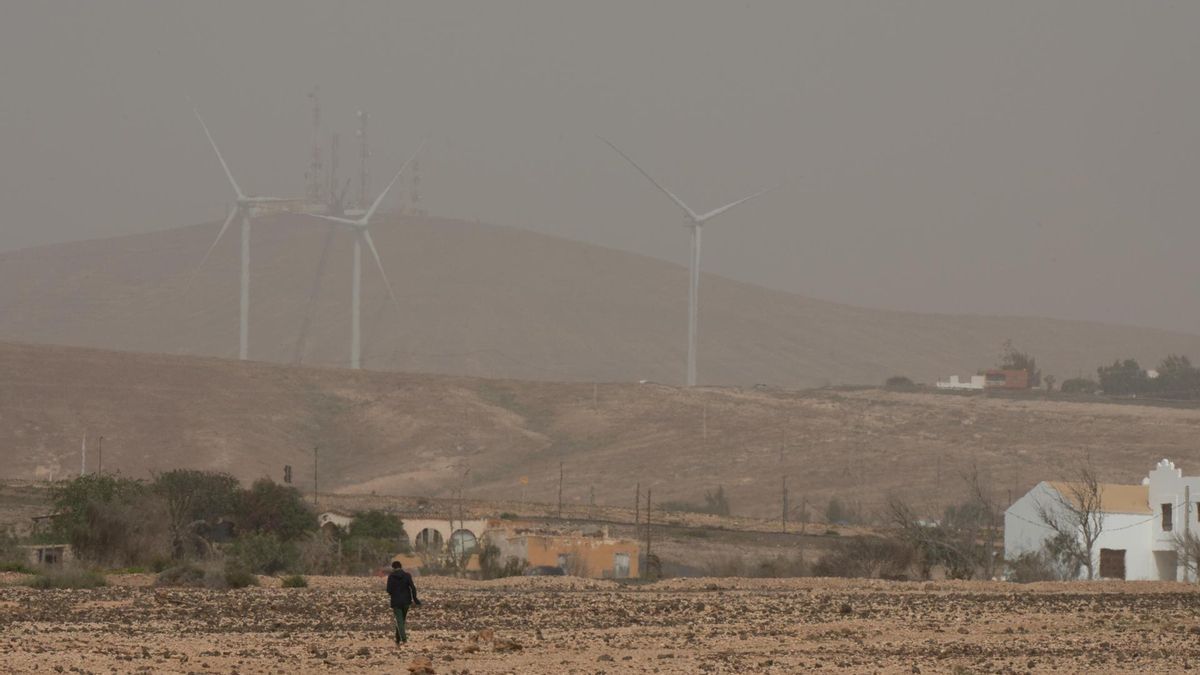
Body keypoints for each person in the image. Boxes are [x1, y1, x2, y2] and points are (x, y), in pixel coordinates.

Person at [386, 560, 420, 643]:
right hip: (406, 601)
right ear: (401, 566)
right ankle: (398, 639)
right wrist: (415, 599)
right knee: (401, 620)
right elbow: (413, 588)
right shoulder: (407, 575)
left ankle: (403, 639)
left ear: (393, 568)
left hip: (396, 602)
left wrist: (393, 593)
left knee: (399, 620)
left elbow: (388, 590)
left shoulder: (391, 576)